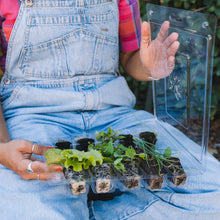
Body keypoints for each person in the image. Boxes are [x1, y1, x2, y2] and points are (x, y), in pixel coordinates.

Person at [0, 0, 220, 219]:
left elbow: (129, 58)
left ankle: (93, 206)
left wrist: (148, 65)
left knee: (213, 195)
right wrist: (2, 148)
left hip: (115, 118)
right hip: (34, 120)